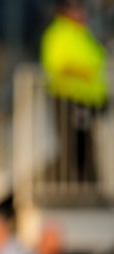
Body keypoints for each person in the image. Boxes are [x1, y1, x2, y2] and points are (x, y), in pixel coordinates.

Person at [40, 0, 108, 185]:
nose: (82, 12)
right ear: (65, 12)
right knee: (74, 146)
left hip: (88, 100)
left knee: (87, 145)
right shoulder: (58, 34)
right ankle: (76, 184)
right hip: (70, 99)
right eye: (76, 9)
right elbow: (57, 65)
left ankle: (90, 184)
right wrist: (82, 72)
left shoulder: (82, 33)